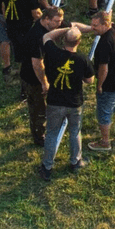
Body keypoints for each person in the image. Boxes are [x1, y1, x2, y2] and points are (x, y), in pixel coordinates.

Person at [37, 23, 90, 180]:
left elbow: (46, 36)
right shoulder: (82, 59)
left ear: (63, 40)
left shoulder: (53, 53)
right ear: (79, 42)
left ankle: (47, 166)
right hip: (74, 103)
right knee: (75, 131)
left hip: (55, 101)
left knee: (52, 133)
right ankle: (75, 161)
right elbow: (90, 80)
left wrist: (66, 29)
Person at [87, 11, 115, 151]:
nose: (92, 28)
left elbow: (103, 69)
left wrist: (100, 85)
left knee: (104, 112)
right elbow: (111, 20)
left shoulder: (104, 43)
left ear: (105, 24)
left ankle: (104, 142)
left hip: (111, 84)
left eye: (95, 25)